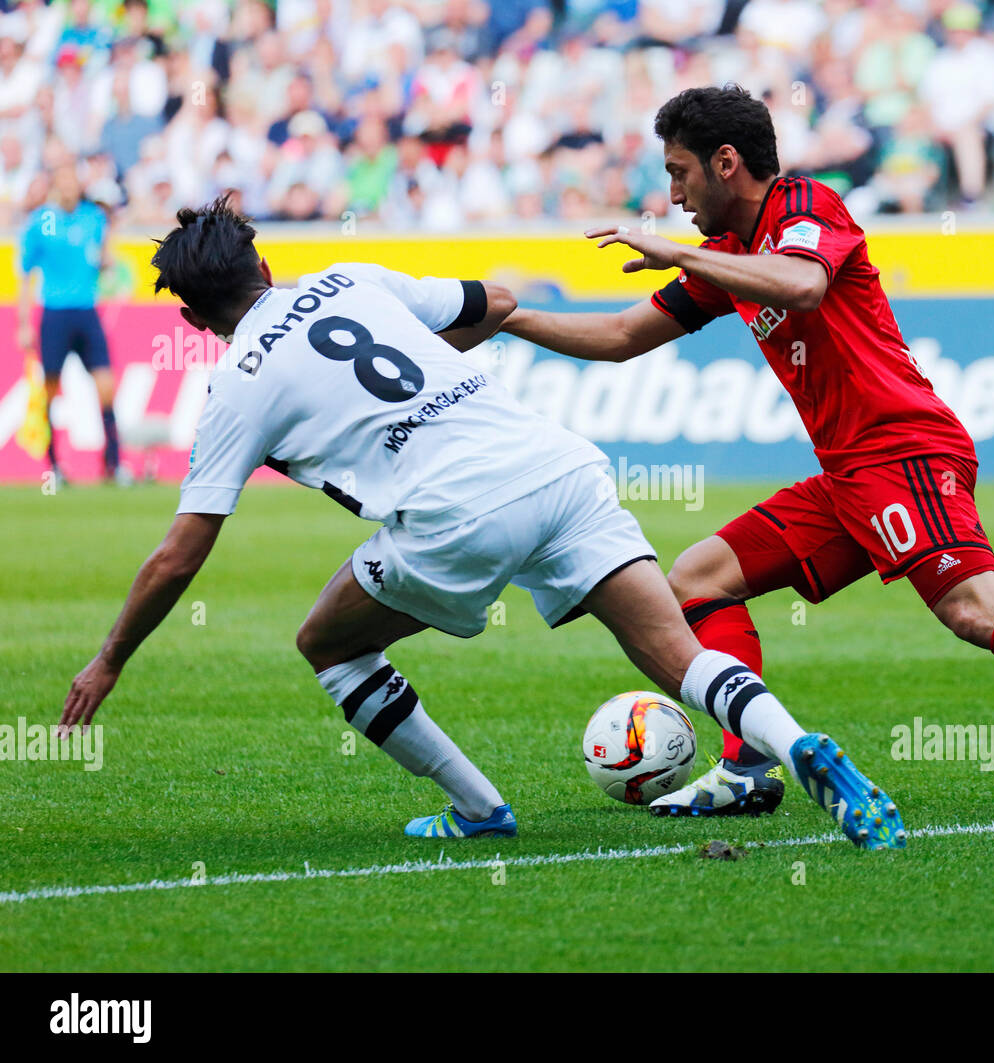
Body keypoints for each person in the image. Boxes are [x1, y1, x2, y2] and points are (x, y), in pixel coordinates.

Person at [57, 194, 907, 851]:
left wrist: (108, 660)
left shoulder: (235, 386)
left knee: (329, 641)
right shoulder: (350, 278)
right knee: (679, 656)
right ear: (265, 263)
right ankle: (798, 748)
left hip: (456, 514)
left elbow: (177, 556)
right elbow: (494, 301)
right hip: (556, 463)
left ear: (195, 318)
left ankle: (478, 808)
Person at [502, 84, 994, 822]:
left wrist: (679, 252)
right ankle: (747, 765)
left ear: (726, 163)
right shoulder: (728, 255)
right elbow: (622, 337)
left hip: (905, 451)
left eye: (679, 170)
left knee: (976, 611)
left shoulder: (803, 205)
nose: (674, 191)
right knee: (696, 582)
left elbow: (804, 284)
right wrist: (506, 315)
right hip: (850, 473)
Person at [16, 161, 126, 485]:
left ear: (78, 185)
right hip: (54, 312)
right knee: (50, 390)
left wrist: (109, 265)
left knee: (106, 385)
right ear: (54, 186)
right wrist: (23, 323)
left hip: (86, 311)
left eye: (71, 181)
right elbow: (26, 275)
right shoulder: (41, 222)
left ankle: (113, 465)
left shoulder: (93, 218)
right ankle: (54, 467)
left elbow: (103, 257)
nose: (67, 187)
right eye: (61, 181)